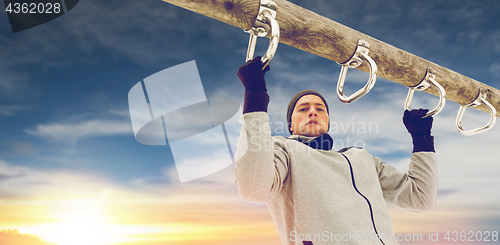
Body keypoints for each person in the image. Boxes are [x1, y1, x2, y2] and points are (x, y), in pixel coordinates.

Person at [234, 57, 438, 245]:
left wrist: (421, 140)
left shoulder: (362, 159)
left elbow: (421, 197)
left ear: (328, 121)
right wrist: (255, 96)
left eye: (320, 108)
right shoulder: (284, 151)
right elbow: (253, 187)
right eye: (303, 109)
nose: (313, 111)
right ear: (291, 126)